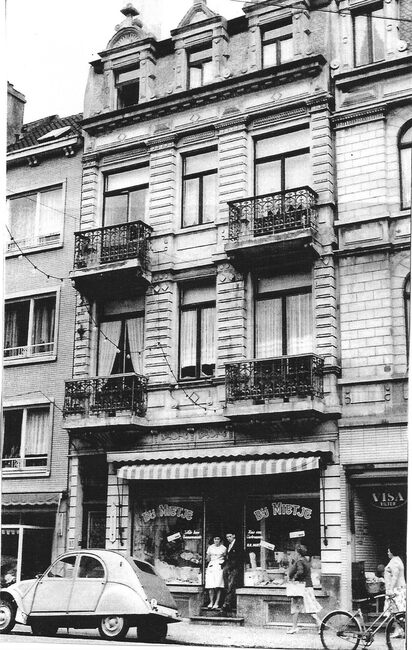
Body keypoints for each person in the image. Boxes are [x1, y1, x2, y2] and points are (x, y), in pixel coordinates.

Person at [286, 544, 323, 634]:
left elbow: (300, 571)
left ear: (298, 553)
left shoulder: (299, 561)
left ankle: (295, 627)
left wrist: (294, 578)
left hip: (301, 587)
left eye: (295, 552)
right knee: (309, 607)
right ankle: (319, 624)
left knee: (296, 606)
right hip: (307, 586)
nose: (294, 553)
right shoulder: (305, 560)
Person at [384, 544, 406, 634]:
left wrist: (390, 589)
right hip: (398, 588)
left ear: (392, 552)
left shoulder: (395, 562)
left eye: (388, 551)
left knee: (395, 611)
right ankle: (398, 630)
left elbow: (395, 576)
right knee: (395, 611)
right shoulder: (397, 560)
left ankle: (399, 630)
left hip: (396, 589)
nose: (387, 553)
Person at [222, 531, 243, 613]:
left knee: (231, 585)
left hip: (234, 568)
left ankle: (227, 603)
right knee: (227, 585)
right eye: (227, 537)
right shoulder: (228, 545)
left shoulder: (238, 545)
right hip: (228, 567)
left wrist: (233, 566)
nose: (228, 538)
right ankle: (228, 604)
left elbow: (240, 557)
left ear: (234, 536)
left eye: (230, 536)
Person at [205, 535, 227, 609]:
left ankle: (216, 602)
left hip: (219, 566)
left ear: (220, 540)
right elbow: (208, 558)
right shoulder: (210, 547)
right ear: (213, 540)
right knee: (210, 585)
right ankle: (211, 602)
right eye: (215, 539)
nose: (216, 541)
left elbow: (225, 557)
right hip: (211, 566)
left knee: (218, 585)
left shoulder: (223, 548)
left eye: (218, 539)